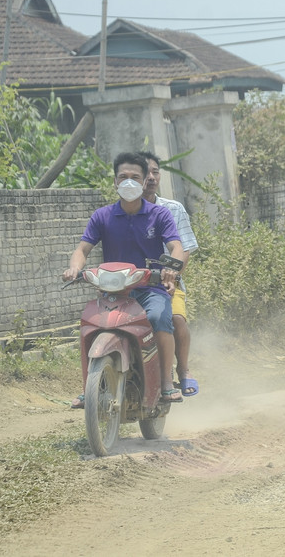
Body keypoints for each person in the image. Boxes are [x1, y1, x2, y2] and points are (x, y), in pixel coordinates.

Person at [62, 152, 186, 406]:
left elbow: (176, 247)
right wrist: (74, 268)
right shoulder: (102, 216)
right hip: (113, 291)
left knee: (158, 318)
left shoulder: (159, 215)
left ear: (144, 181)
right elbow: (82, 250)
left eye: (135, 177)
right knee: (90, 323)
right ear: (115, 182)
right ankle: (90, 386)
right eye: (123, 177)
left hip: (150, 288)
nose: (128, 182)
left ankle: (165, 381)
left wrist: (173, 268)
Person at [138, 151, 200, 397]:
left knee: (176, 319)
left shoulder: (173, 209)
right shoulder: (119, 212)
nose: (151, 177)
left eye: (155, 172)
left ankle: (183, 370)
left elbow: (184, 249)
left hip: (165, 283)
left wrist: (173, 274)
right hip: (132, 283)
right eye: (146, 173)